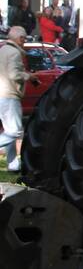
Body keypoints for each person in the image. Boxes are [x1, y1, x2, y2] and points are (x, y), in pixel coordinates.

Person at [0, 26, 38, 172]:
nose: (24, 41)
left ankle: (13, 164)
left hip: (2, 94)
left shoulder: (3, 50)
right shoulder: (14, 53)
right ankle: (13, 164)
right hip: (9, 95)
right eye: (24, 39)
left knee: (9, 129)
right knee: (14, 132)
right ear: (20, 38)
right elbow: (14, 75)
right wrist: (29, 76)